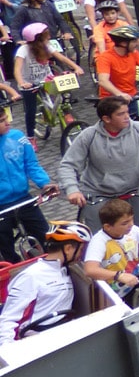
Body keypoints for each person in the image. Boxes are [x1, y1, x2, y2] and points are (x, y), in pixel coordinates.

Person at [60, 95, 139, 230]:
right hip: (99, 194)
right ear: (106, 119)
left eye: (127, 112)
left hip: (133, 191)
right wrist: (72, 190)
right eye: (121, 114)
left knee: (136, 237)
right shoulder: (88, 136)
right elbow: (68, 165)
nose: (127, 116)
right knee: (100, 241)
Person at [0, 220, 90, 342]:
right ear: (68, 248)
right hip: (38, 340)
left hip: (64, 331)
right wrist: (10, 351)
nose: (81, 255)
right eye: (81, 250)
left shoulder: (65, 270)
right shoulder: (31, 276)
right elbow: (8, 318)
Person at [0, 105, 56, 262]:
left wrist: (44, 183)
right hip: (1, 206)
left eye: (6, 118)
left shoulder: (18, 137)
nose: (7, 123)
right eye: (1, 121)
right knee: (4, 247)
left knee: (46, 238)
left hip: (24, 198)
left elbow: (31, 164)